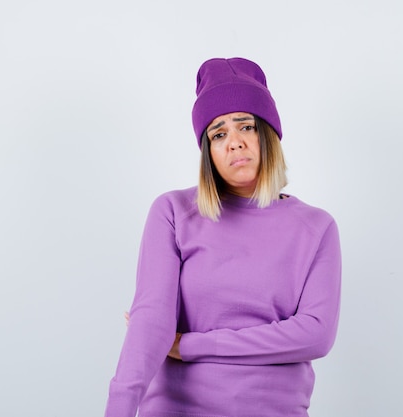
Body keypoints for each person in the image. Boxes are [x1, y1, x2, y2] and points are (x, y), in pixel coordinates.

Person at [104, 57, 341, 417]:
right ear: (208, 153)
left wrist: (192, 346)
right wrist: (118, 409)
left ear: (268, 135)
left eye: (245, 126)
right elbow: (151, 321)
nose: (234, 143)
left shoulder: (316, 227)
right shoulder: (173, 212)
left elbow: (315, 335)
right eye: (218, 133)